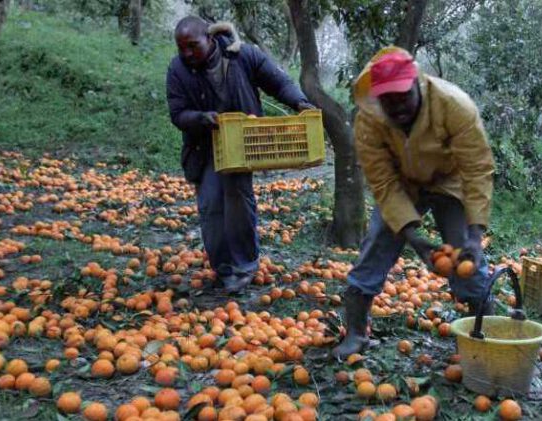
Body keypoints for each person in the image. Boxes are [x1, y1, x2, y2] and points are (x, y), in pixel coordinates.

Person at [333, 47, 495, 359]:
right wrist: (413, 237)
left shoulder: (454, 106)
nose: (396, 107)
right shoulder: (369, 121)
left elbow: (477, 169)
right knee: (377, 243)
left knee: (465, 255)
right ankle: (355, 333)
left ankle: (482, 335)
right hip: (402, 184)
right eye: (387, 100)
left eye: (402, 96)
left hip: (449, 180)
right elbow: (382, 180)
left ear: (417, 84)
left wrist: (475, 236)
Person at [166, 17, 314, 293]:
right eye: (181, 47)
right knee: (211, 206)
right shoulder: (178, 69)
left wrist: (299, 102)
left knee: (237, 203)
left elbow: (278, 82)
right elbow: (177, 113)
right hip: (205, 147)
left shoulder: (241, 55)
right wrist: (200, 117)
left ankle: (244, 266)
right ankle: (223, 269)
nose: (186, 53)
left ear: (209, 39)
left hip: (240, 144)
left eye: (192, 46)